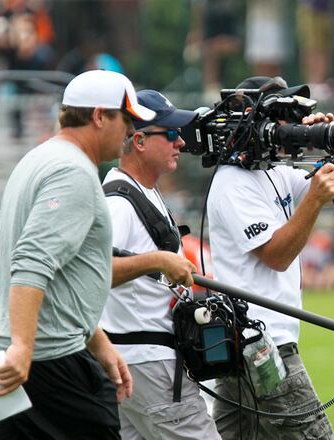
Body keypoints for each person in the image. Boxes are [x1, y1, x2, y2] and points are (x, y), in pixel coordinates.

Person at [0, 69, 156, 439]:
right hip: (44, 364)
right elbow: (32, 262)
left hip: (6, 355)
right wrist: (23, 346)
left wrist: (99, 343)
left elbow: (66, 278)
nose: (131, 131)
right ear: (100, 116)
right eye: (127, 119)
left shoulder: (40, 158)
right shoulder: (73, 173)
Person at [207, 76, 334, 439]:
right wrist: (312, 199)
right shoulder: (232, 183)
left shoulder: (274, 172)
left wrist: (331, 148)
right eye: (282, 116)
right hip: (262, 341)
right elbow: (276, 255)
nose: (289, 126)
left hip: (248, 342)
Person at [99, 89, 221, 440]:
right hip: (150, 364)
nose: (180, 142)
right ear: (138, 140)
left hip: (135, 362)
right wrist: (158, 260)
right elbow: (96, 271)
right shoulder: (119, 204)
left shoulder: (142, 190)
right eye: (170, 134)